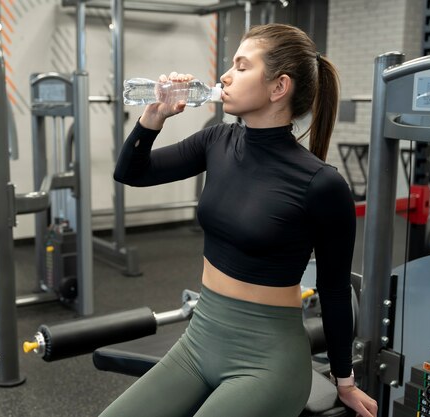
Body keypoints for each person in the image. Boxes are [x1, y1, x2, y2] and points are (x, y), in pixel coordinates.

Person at [100, 23, 378, 417]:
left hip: (268, 362)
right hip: (200, 340)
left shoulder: (322, 184)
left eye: (241, 66)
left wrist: (344, 381)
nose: (225, 76)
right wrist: (154, 117)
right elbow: (132, 172)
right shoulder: (218, 141)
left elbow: (334, 291)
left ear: (279, 87)